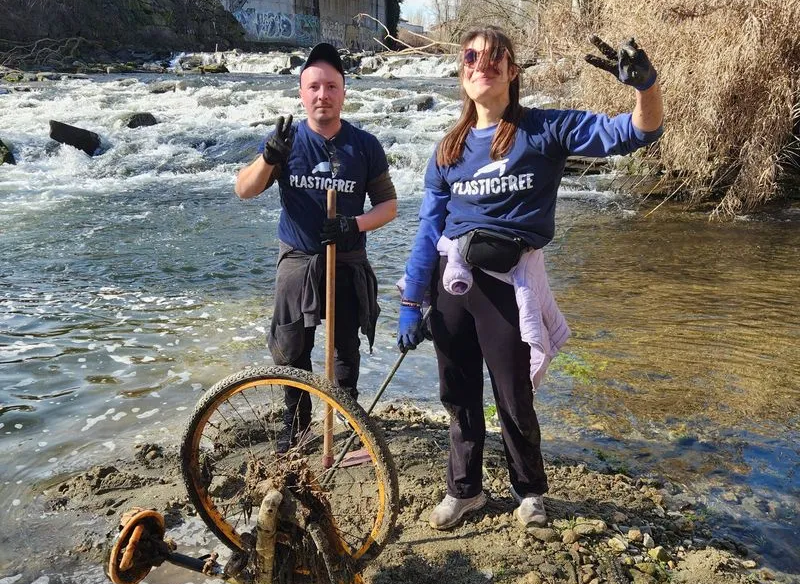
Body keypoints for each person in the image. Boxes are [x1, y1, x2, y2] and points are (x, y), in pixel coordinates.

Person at [397, 26, 663, 530]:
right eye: (472, 56)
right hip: (451, 283)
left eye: (496, 56)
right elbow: (428, 230)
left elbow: (636, 133)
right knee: (457, 394)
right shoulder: (447, 150)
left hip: (507, 284)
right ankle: (465, 490)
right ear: (462, 72)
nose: (483, 64)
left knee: (513, 394)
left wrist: (646, 87)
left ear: (512, 71)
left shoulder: (544, 130)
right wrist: (412, 303)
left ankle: (530, 492)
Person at [235, 42, 397, 450]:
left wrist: (353, 224)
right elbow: (244, 190)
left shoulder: (364, 145)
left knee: (345, 347)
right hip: (299, 257)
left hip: (347, 259)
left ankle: (350, 425)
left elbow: (389, 206)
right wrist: (270, 157)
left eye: (330, 86)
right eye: (314, 87)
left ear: (343, 92)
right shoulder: (285, 142)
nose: (322, 94)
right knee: (292, 349)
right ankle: (297, 422)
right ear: (302, 93)